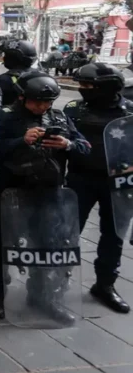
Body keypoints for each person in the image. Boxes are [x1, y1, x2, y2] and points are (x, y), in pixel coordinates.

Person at [0, 71, 89, 322]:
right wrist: (21, 141)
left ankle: (43, 296)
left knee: (47, 245)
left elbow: (85, 147)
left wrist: (67, 144)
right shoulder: (4, 116)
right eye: (37, 102)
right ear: (22, 97)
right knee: (2, 244)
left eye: (47, 102)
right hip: (11, 192)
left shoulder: (58, 117)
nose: (42, 107)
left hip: (49, 192)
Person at [63, 63, 132, 313]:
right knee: (67, 232)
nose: (83, 89)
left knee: (114, 235)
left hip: (118, 182)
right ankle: (54, 283)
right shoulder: (74, 109)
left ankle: (105, 284)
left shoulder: (129, 111)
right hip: (80, 179)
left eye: (88, 85)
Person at [0, 39, 37, 108]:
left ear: (12, 57)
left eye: (6, 55)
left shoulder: (2, 81)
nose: (4, 57)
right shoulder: (41, 76)